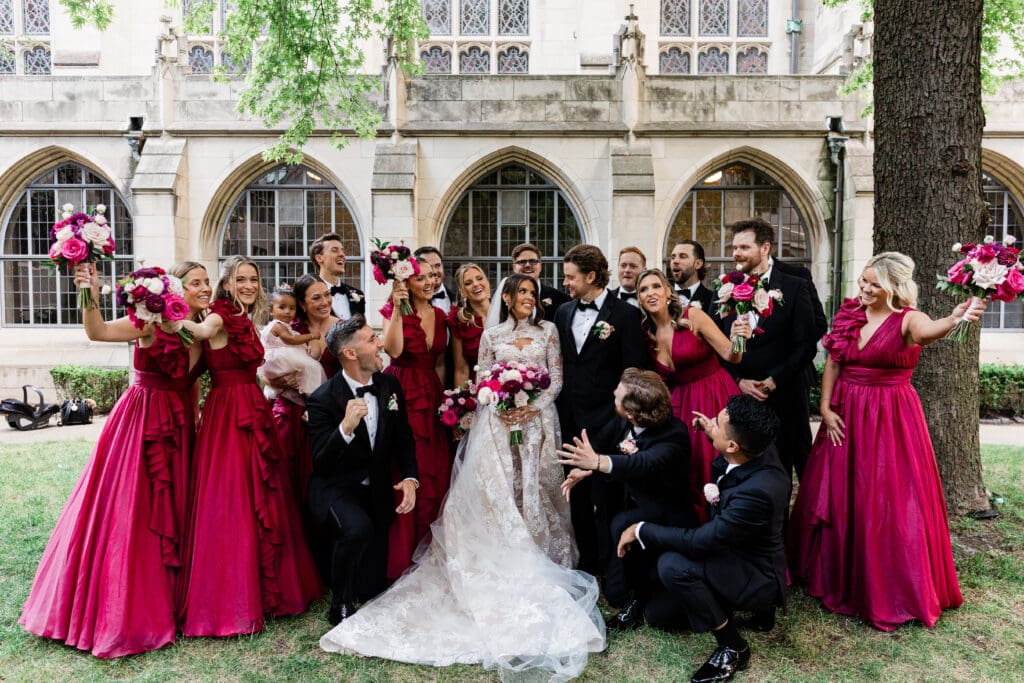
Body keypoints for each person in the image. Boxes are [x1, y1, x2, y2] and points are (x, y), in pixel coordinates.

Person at [320, 274, 605, 681]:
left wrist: (531, 405)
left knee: (539, 490)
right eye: (522, 292)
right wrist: (500, 402)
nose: (529, 298)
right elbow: (482, 378)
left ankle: (540, 556)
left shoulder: (549, 330)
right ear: (506, 298)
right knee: (501, 493)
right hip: (498, 424)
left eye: (533, 294)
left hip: (539, 422)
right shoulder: (491, 335)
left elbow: (556, 378)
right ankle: (504, 550)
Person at [20, 261, 208, 658]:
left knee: (173, 512)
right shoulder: (150, 323)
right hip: (140, 423)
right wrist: (88, 289)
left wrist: (194, 424)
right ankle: (126, 608)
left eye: (207, 282)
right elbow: (98, 331)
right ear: (177, 289)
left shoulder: (202, 332)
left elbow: (190, 386)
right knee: (133, 512)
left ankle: (174, 599)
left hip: (178, 429)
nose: (204, 288)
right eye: (196, 283)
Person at [789, 252, 983, 631]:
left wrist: (955, 319)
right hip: (845, 413)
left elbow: (929, 332)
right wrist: (825, 408)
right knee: (841, 494)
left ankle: (886, 587)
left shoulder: (909, 319)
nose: (864, 288)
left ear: (893, 286)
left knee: (886, 498)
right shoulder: (850, 313)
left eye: (873, 284)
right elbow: (833, 362)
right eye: (863, 281)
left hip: (890, 418)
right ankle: (832, 574)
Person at [178, 256, 321, 637]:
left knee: (265, 491)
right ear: (226, 283)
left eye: (253, 279)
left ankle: (268, 588)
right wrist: (169, 313)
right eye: (240, 279)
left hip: (255, 408)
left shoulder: (246, 320)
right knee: (233, 498)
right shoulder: (220, 316)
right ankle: (232, 596)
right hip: (227, 416)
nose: (248, 284)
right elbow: (204, 333)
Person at [617, 395, 790, 683]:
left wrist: (640, 530)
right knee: (659, 616)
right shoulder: (758, 447)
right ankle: (752, 612)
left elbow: (701, 541)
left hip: (753, 572)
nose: (713, 425)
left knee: (671, 565)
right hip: (736, 551)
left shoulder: (756, 494)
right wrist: (717, 435)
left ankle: (733, 646)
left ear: (733, 446)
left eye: (719, 425)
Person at [558, 368, 693, 632]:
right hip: (627, 505)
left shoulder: (674, 436)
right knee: (615, 592)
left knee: (662, 615)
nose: (612, 394)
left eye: (618, 395)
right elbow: (604, 445)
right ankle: (633, 591)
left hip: (662, 518)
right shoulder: (624, 421)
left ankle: (644, 595)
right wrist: (586, 467)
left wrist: (597, 462)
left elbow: (642, 463)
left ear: (632, 412)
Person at [305, 316, 419, 625]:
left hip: (377, 491)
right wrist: (344, 428)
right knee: (356, 529)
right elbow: (321, 464)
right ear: (351, 353)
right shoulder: (322, 399)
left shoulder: (389, 385)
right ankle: (339, 604)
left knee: (373, 590)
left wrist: (410, 478)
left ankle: (357, 583)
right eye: (371, 339)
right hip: (336, 487)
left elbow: (404, 438)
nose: (380, 343)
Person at [554, 243, 648, 599]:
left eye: (571, 277)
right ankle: (586, 570)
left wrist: (615, 425)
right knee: (575, 498)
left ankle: (616, 578)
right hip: (569, 424)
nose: (566, 283)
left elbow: (634, 374)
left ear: (591, 276)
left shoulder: (624, 316)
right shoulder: (563, 313)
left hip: (608, 424)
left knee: (608, 501)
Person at [637, 268, 747, 523]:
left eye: (656, 286)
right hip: (680, 407)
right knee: (691, 470)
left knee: (722, 460)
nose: (650, 293)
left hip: (715, 394)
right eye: (643, 290)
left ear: (667, 291)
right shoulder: (646, 334)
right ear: (639, 299)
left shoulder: (693, 316)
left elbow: (732, 355)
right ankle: (697, 529)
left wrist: (740, 338)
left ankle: (728, 523)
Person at [715, 218, 821, 480]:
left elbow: (807, 342)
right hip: (742, 394)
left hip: (785, 391)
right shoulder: (726, 288)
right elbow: (715, 342)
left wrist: (774, 380)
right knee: (749, 466)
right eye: (734, 247)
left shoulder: (794, 284)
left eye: (744, 247)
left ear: (765, 248)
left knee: (791, 463)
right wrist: (738, 380)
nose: (736, 253)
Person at [380, 264, 450, 578]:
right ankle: (402, 552)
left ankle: (429, 549)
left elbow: (440, 364)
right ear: (405, 281)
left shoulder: (441, 315)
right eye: (420, 277)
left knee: (433, 467)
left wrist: (447, 404)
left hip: (432, 393)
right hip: (401, 389)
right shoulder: (391, 309)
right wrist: (396, 308)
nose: (429, 282)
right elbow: (392, 349)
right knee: (407, 463)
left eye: (432, 277)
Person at [270, 274, 340, 502]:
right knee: (288, 478)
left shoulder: (344, 328)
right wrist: (272, 382)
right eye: (316, 298)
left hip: (330, 411)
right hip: (292, 410)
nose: (325, 302)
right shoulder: (290, 329)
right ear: (302, 304)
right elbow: (267, 362)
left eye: (327, 295)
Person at [258, 286, 326, 403]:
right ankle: (314, 395)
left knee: (310, 368)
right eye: (282, 307)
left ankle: (311, 394)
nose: (287, 311)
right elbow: (291, 339)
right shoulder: (278, 325)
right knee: (311, 367)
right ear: (271, 310)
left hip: (281, 361)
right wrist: (311, 336)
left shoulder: (286, 327)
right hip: (279, 360)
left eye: (292, 308)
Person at [485, 242, 571, 326]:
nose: (527, 265)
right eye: (522, 262)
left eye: (533, 261)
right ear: (514, 267)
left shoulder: (560, 299)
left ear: (540, 266)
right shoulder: (500, 296)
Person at [446, 262, 491, 387]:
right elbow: (461, 369)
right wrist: (462, 401)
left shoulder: (506, 313)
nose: (476, 284)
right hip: (476, 388)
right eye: (468, 283)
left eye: (479, 278)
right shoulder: (459, 321)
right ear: (463, 292)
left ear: (487, 282)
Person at [311, 233, 365, 321]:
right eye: (334, 250)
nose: (342, 255)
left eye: (342, 251)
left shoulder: (358, 294)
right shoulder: (309, 295)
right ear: (319, 258)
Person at [669, 240, 715, 311]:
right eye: (673, 257)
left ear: (698, 264)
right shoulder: (660, 295)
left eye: (682, 256)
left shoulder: (712, 300)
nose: (675, 261)